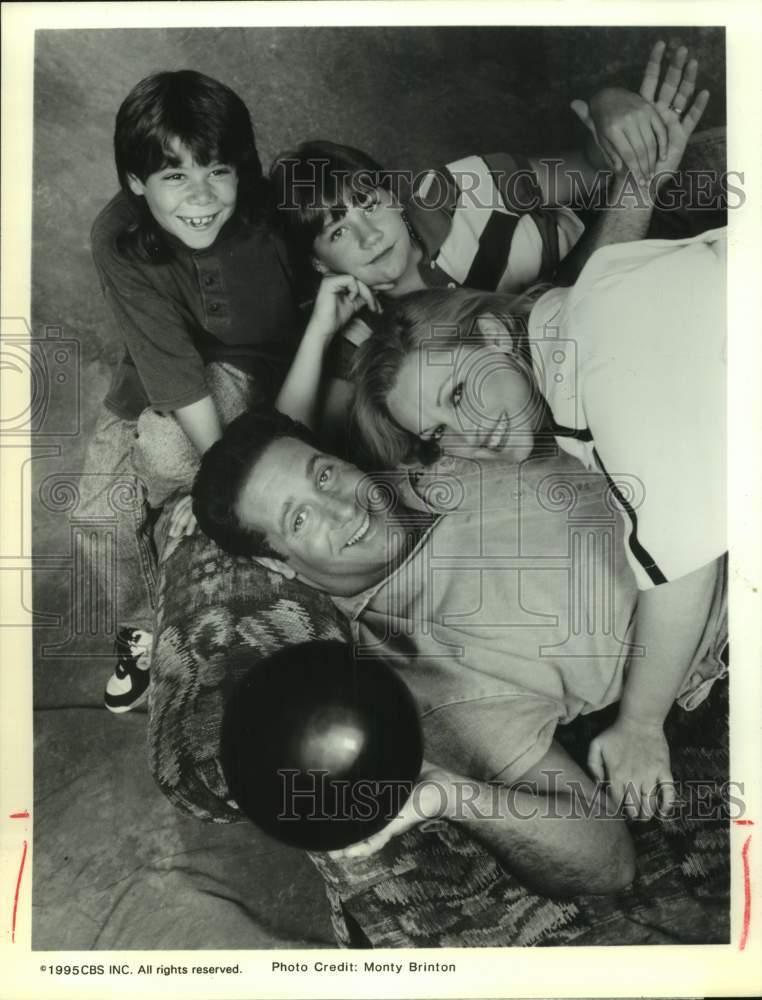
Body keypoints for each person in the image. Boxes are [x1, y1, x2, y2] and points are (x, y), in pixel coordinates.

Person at [190, 409, 727, 894]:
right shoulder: (418, 674)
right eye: (298, 520)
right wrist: (449, 794)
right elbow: (607, 862)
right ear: (279, 566)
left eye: (324, 474)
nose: (338, 508)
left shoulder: (425, 442)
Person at [351, 225, 727, 819]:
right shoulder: (576, 315)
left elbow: (685, 566)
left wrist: (640, 725)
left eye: (456, 393)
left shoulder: (602, 357)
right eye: (440, 433)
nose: (468, 437)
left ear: (495, 335)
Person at [269, 41, 714, 453]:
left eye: (369, 204)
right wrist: (318, 334)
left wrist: (610, 109)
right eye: (338, 232)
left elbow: (600, 166)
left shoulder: (453, 191)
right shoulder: (362, 330)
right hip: (565, 373)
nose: (369, 236)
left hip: (631, 238)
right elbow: (294, 450)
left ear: (394, 197)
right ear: (319, 262)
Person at [87, 70, 304, 711]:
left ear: (243, 167)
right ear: (135, 182)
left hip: (256, 368)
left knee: (164, 452)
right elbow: (166, 359)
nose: (201, 196)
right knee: (96, 510)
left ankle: (188, 528)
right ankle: (139, 627)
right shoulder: (116, 234)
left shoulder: (276, 213)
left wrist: (218, 483)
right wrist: (212, 472)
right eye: (175, 177)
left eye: (218, 171)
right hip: (160, 370)